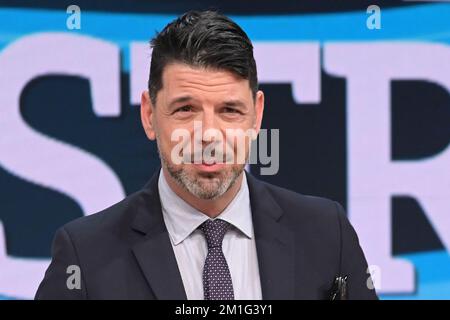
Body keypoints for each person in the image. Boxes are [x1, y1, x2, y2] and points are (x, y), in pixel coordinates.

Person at [35, 10, 378, 300]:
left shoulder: (326, 233)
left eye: (229, 110)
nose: (209, 134)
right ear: (149, 114)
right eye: (185, 109)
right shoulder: (85, 254)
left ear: (256, 116)